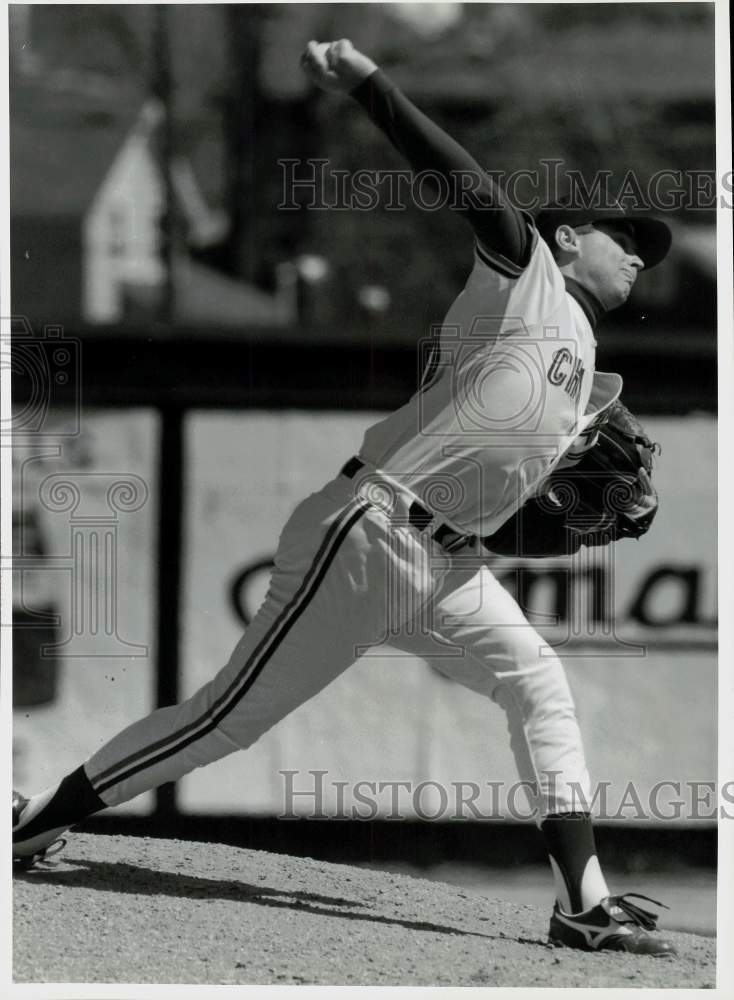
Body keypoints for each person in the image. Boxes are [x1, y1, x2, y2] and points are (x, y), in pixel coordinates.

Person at [14, 39, 676, 957]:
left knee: (537, 680)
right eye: (624, 238)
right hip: (370, 533)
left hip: (446, 558)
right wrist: (368, 84)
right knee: (223, 721)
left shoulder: (581, 379)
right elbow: (469, 184)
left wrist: (580, 534)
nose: (639, 256)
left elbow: (511, 520)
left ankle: (582, 903)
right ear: (567, 238)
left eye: (645, 248)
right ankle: (31, 823)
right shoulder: (525, 284)